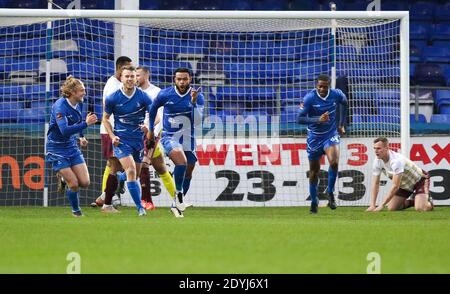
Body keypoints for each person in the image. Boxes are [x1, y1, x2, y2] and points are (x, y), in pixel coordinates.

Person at [147, 68, 204, 218]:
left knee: (189, 170)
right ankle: (179, 195)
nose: (182, 82)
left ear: (190, 79)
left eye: (184, 79)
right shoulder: (165, 94)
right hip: (169, 136)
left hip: (188, 137)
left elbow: (198, 121)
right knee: (181, 162)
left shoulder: (197, 96)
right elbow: (152, 110)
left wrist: (193, 102)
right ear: (174, 79)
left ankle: (175, 206)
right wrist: (151, 130)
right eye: (179, 79)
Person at [103, 65, 154, 216]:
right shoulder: (113, 97)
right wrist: (112, 136)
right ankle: (140, 208)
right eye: (127, 76)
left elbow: (155, 115)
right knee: (131, 170)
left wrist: (148, 125)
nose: (131, 79)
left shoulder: (143, 96)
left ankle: (120, 177)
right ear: (122, 78)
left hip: (138, 140)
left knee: (135, 175)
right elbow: (105, 119)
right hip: (121, 140)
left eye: (133, 76)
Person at [46, 76, 98, 217]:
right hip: (56, 148)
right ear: (73, 92)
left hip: (71, 146)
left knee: (85, 182)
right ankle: (77, 212)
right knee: (74, 184)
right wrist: (86, 124)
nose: (84, 93)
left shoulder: (79, 103)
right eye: (82, 90)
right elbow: (64, 130)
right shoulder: (60, 106)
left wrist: (81, 136)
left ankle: (63, 179)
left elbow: (78, 120)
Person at [297, 74, 348, 214]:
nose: (322, 89)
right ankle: (314, 201)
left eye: (325, 86)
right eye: (320, 86)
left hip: (330, 135)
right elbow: (299, 119)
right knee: (314, 173)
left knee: (334, 163)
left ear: (329, 86)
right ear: (316, 86)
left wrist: (341, 123)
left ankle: (330, 192)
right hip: (314, 138)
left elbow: (345, 103)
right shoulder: (309, 98)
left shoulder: (336, 94)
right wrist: (317, 119)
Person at [92, 56, 132, 209]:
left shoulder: (118, 84)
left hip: (118, 130)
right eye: (127, 69)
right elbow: (108, 109)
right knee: (116, 166)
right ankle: (107, 203)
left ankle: (104, 197)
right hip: (112, 131)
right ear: (120, 69)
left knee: (118, 165)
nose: (130, 73)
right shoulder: (113, 86)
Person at [136, 66, 176, 211]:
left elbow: (159, 115)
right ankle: (177, 198)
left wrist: (153, 134)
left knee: (144, 165)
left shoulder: (156, 92)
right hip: (135, 135)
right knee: (161, 168)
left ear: (146, 76)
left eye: (138, 75)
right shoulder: (134, 92)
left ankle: (147, 201)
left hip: (151, 135)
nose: (135, 78)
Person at [366, 137, 434, 212]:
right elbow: (376, 183)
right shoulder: (377, 161)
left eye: (379, 148)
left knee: (420, 208)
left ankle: (427, 202)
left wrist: (381, 205)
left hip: (419, 180)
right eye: (374, 148)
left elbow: (395, 186)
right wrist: (372, 205)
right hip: (404, 185)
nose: (376, 151)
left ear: (387, 148)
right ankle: (415, 201)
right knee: (391, 208)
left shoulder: (396, 161)